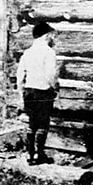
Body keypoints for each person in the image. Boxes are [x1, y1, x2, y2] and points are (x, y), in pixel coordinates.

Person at [16, 21, 59, 165]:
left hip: (29, 91)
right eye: (51, 35)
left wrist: (21, 93)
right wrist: (54, 88)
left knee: (32, 123)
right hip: (43, 91)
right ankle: (39, 155)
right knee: (43, 124)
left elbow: (20, 75)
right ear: (46, 36)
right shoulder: (49, 52)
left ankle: (30, 155)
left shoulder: (27, 52)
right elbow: (50, 75)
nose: (52, 38)